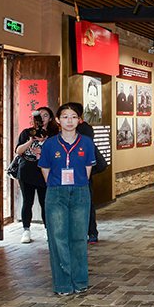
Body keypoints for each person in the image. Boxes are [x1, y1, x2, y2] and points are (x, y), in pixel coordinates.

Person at [38, 103, 96, 296]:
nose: (69, 121)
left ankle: (80, 281)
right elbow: (45, 169)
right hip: (56, 193)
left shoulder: (86, 142)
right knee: (57, 237)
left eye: (73, 117)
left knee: (79, 237)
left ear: (79, 120)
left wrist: (77, 183)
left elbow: (88, 169)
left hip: (80, 191)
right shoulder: (50, 144)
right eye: (65, 117)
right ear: (58, 120)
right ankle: (62, 284)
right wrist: (56, 185)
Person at [15, 107, 59, 243]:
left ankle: (47, 229)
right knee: (27, 202)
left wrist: (43, 145)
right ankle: (26, 230)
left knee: (45, 202)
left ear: (50, 119)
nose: (42, 118)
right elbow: (18, 151)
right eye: (40, 115)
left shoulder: (54, 135)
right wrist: (30, 140)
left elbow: (57, 154)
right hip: (26, 172)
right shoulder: (27, 132)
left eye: (46, 115)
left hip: (45, 173)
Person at [66, 102, 100, 244]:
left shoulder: (85, 129)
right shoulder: (61, 130)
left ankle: (91, 231)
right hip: (66, 173)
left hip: (83, 171)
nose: (68, 119)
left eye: (72, 115)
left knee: (86, 201)